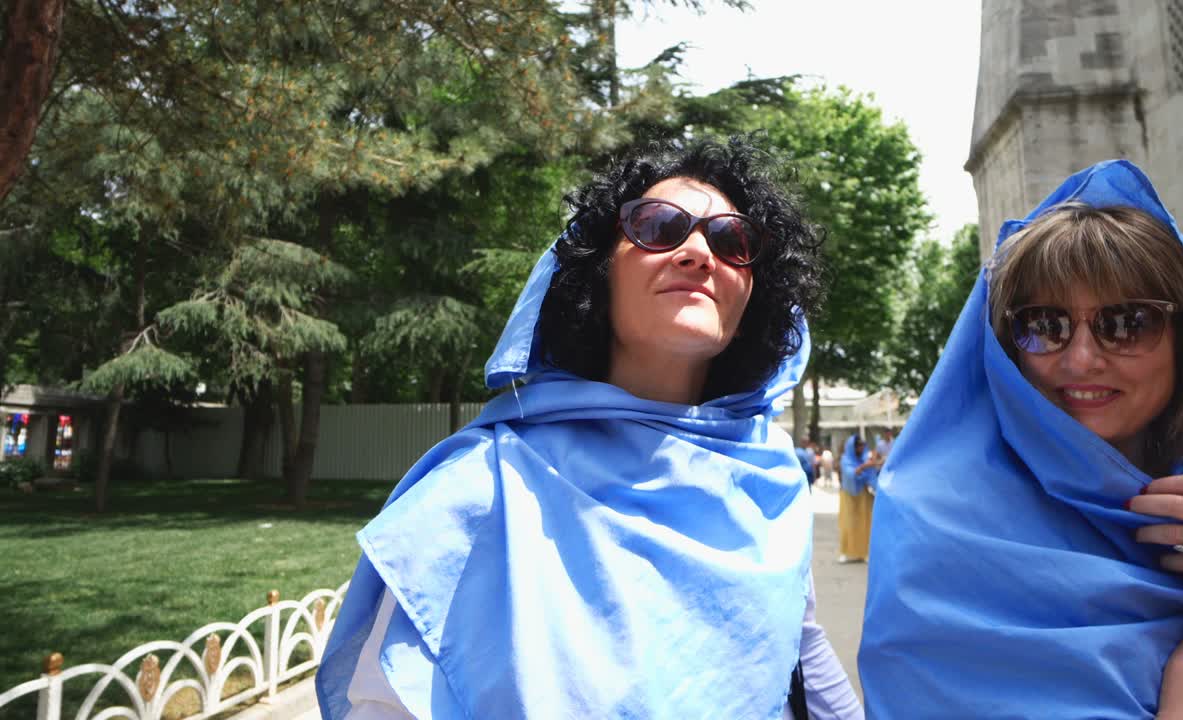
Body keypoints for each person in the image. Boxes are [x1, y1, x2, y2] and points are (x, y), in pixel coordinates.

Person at [316, 137, 862, 719]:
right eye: (659, 226)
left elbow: (800, 647)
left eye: (733, 240)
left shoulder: (769, 478)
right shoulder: (477, 489)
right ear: (597, 274)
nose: (701, 252)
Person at [858, 160, 1183, 718]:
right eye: (1044, 325)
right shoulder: (937, 528)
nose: (1081, 359)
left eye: (1128, 322)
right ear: (1005, 349)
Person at [836, 435, 878, 564]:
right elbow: (850, 474)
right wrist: (865, 466)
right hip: (849, 495)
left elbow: (871, 475)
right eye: (858, 446)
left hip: (864, 495)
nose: (861, 448)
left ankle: (864, 552)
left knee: (865, 523)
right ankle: (844, 552)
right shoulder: (846, 459)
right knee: (848, 523)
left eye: (862, 445)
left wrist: (872, 465)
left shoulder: (866, 458)